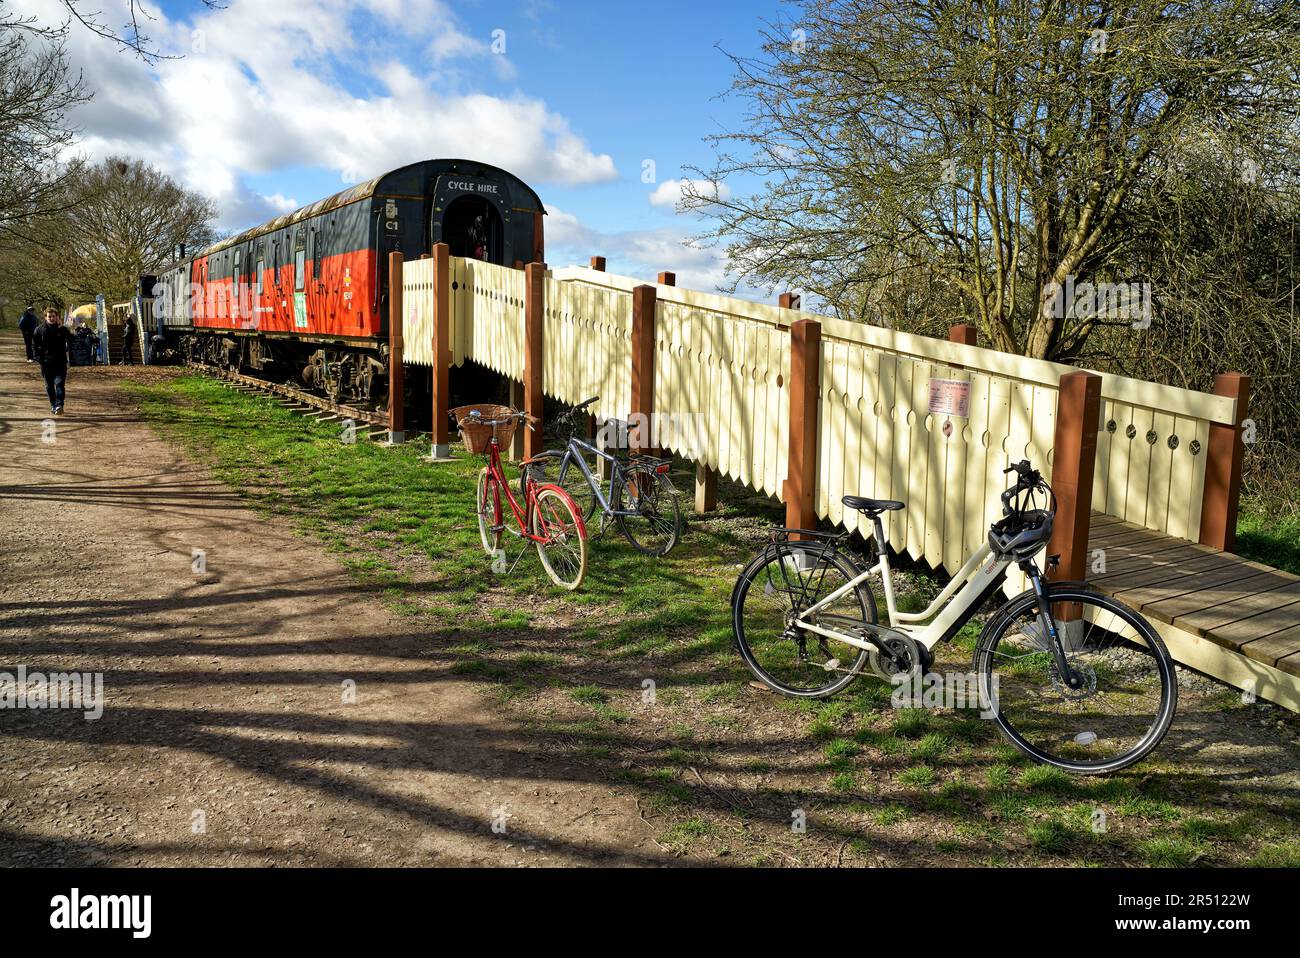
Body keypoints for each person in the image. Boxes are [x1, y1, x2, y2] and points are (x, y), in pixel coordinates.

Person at [31, 308, 73, 415]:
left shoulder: (62, 329)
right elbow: (34, 346)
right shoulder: (39, 330)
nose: (52, 318)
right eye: (49, 316)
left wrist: (68, 330)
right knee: (49, 386)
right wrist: (38, 358)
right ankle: (53, 405)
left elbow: (72, 339)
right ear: (45, 317)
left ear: (57, 317)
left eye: (53, 316)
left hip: (60, 362)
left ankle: (59, 405)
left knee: (59, 384)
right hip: (46, 363)